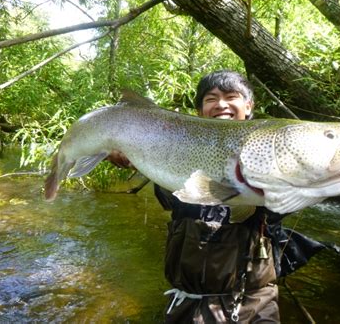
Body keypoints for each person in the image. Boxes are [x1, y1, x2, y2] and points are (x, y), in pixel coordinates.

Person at [108, 70, 324, 323]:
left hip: (253, 303)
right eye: (211, 99)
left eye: (231, 96)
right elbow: (170, 200)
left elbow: (287, 201)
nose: (221, 104)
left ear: (249, 105)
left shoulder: (272, 150)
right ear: (200, 110)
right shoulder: (179, 149)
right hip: (187, 301)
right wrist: (138, 159)